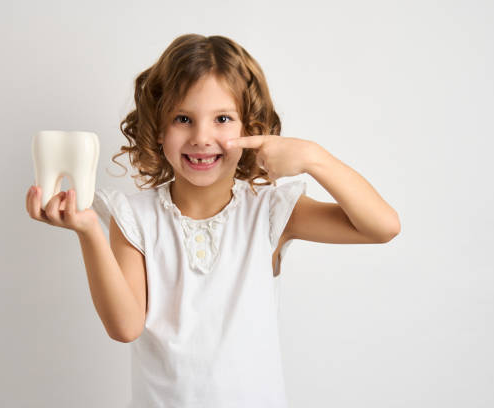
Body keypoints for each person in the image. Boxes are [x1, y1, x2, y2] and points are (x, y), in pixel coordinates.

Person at [25, 33, 400, 407]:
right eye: (183, 118)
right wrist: (89, 231)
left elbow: (382, 227)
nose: (202, 137)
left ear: (250, 128)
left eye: (222, 118)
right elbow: (125, 327)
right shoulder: (135, 217)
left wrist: (315, 158)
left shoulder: (268, 211)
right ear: (158, 128)